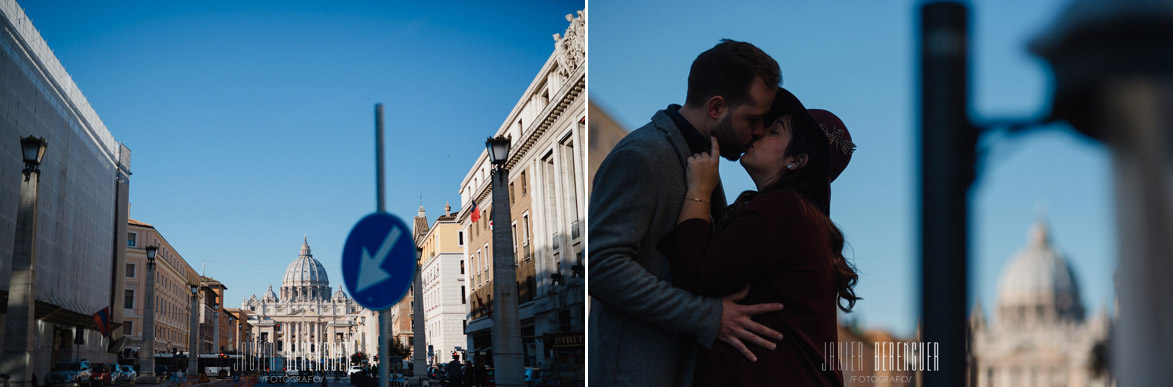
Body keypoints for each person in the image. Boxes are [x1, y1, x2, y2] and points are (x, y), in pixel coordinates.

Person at [589, 39, 788, 386]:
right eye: (753, 119)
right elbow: (601, 267)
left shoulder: (704, 161)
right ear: (716, 107)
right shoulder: (642, 156)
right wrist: (709, 317)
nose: (758, 131)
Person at [658, 88, 860, 385]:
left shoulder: (785, 209)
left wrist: (700, 190)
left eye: (774, 129)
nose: (758, 133)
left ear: (797, 160)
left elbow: (692, 274)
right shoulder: (802, 218)